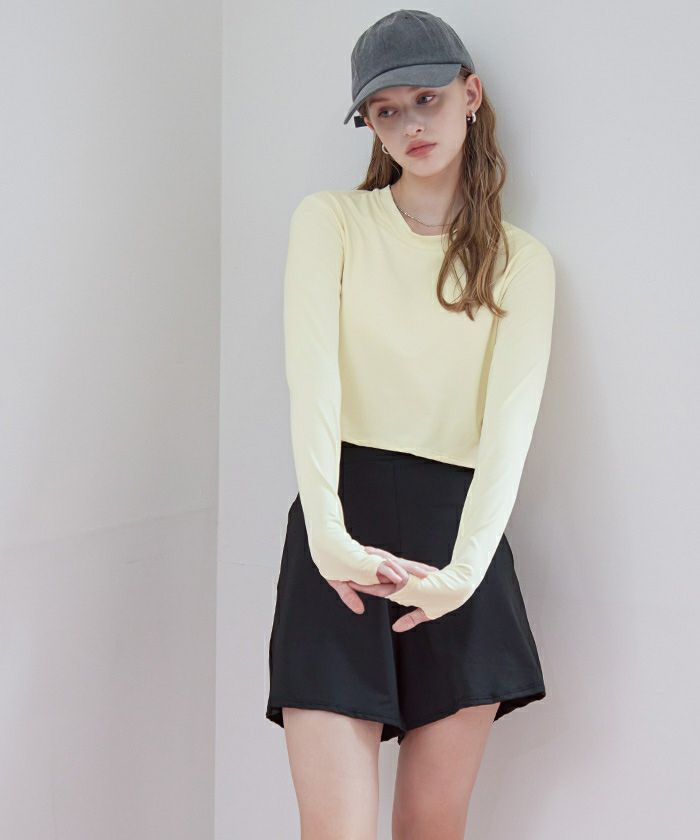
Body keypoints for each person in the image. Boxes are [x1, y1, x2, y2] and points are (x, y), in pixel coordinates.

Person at [266, 9, 555, 839]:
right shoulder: (331, 221)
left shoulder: (521, 262)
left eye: (426, 98)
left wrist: (462, 575)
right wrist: (327, 538)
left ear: (471, 95)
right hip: (338, 537)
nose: (409, 126)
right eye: (385, 111)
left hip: (458, 541)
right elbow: (311, 384)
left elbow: (509, 433)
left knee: (432, 826)